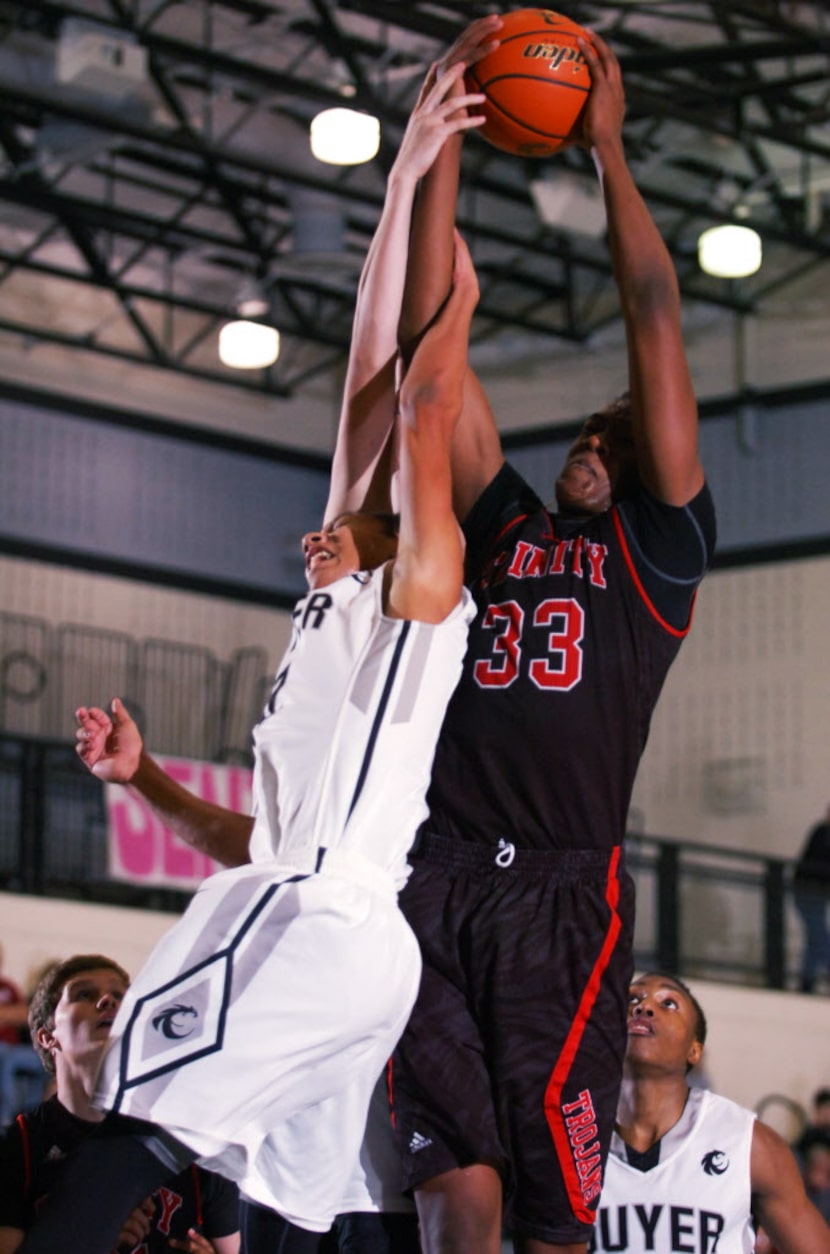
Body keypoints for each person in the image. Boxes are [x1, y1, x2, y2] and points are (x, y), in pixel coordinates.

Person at [16, 62, 481, 1254]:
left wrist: (454, 299)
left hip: (316, 915)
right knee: (279, 1210)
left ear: (394, 535)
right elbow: (367, 380)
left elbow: (417, 408)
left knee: (131, 1114)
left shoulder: (420, 599)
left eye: (359, 521)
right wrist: (405, 171)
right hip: (335, 931)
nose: (326, 524)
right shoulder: (333, 595)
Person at [376, 19, 718, 1254]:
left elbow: (652, 314)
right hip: (433, 870)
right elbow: (434, 366)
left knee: (554, 1224)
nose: (593, 437)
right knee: (452, 1201)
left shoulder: (656, 552)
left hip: (560, 904)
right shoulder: (508, 522)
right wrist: (444, 144)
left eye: (617, 438)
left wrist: (609, 152)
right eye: (588, 425)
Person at [0, 954, 240, 1254]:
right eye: (85, 994)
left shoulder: (187, 1138)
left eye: (119, 996)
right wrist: (91, 1234)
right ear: (48, 1036)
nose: (107, 1001)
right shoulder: (18, 1146)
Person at [592, 971, 830, 1253]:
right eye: (632, 999)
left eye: (668, 1003)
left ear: (694, 1050)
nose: (643, 1007)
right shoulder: (568, 1135)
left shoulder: (749, 1143)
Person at [792, 805, 830, 992]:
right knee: (819, 936)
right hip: (807, 892)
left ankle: (807, 980)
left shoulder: (822, 832)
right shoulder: (822, 833)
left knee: (814, 938)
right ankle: (809, 979)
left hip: (815, 893)